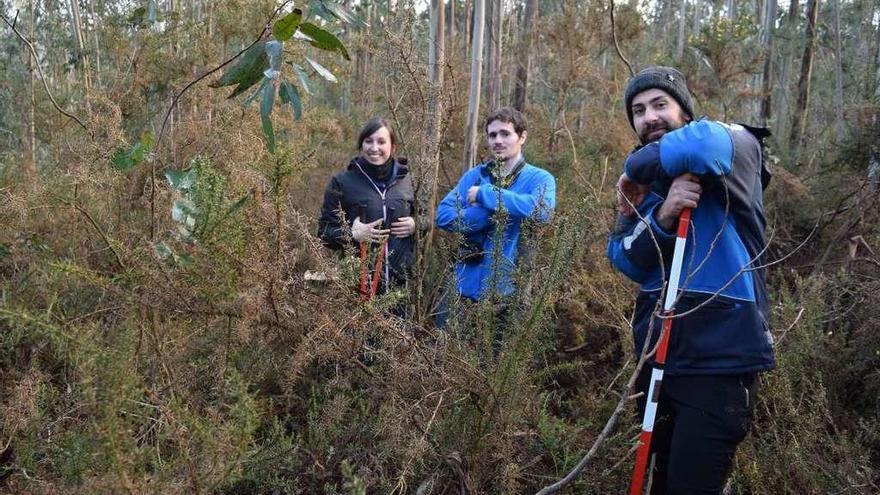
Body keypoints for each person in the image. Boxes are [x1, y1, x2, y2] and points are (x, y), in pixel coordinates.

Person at [606, 66, 775, 494]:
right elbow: (623, 257)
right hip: (658, 357)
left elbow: (702, 144)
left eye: (661, 105)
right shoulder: (651, 187)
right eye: (639, 111)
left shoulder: (734, 148)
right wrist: (662, 215)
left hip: (719, 363)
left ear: (685, 110)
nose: (649, 118)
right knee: (658, 481)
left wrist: (632, 168)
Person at [435, 107, 556, 323]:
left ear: (522, 137)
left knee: (501, 356)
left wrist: (487, 194)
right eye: (492, 135)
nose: (497, 141)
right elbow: (443, 215)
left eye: (505, 134)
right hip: (462, 291)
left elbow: (542, 211)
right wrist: (480, 216)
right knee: (445, 354)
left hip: (509, 296)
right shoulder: (476, 175)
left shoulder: (539, 179)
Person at [318, 117, 416, 296]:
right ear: (361, 145)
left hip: (401, 291)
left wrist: (416, 224)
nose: (374, 148)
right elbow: (324, 233)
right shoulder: (342, 183)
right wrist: (352, 235)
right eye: (368, 141)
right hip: (358, 289)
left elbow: (428, 217)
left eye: (381, 142)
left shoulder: (408, 180)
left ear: (392, 147)